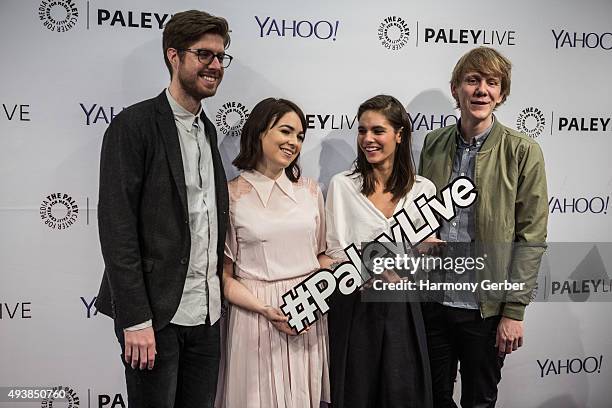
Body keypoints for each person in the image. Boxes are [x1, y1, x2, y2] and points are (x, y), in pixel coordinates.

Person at [95, 10, 232, 408]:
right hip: (155, 317)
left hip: (206, 317)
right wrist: (135, 319)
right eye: (204, 55)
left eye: (221, 56)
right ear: (174, 55)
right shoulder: (134, 126)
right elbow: (117, 227)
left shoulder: (207, 130)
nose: (216, 65)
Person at [418, 46, 548, 407]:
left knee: (479, 401)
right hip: (435, 303)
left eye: (492, 83)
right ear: (455, 88)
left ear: (501, 93)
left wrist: (514, 311)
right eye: (472, 80)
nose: (481, 90)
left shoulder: (523, 150)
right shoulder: (433, 143)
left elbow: (531, 238)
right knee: (432, 398)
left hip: (485, 309)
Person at [321, 95, 435, 408]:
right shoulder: (342, 185)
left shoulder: (423, 190)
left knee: (402, 396)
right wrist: (369, 267)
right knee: (355, 395)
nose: (368, 139)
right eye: (362, 131)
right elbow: (333, 250)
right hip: (354, 308)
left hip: (403, 310)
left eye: (378, 131)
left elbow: (426, 261)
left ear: (399, 135)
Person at [219, 98, 330, 408]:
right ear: (259, 132)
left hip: (306, 317)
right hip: (255, 319)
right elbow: (225, 278)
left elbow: (323, 257)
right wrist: (265, 309)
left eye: (299, 136)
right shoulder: (231, 194)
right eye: (285, 131)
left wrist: (311, 300)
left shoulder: (309, 191)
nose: (293, 142)